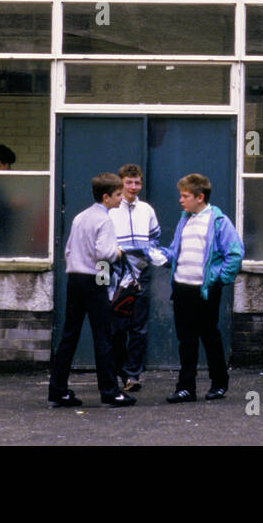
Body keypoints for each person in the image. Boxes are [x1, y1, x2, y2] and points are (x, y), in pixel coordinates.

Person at [47, 173, 134, 408]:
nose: (121, 199)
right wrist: (119, 252)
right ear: (106, 197)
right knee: (103, 337)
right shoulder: (105, 220)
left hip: (75, 279)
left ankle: (58, 390)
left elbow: (67, 251)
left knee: (69, 336)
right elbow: (103, 253)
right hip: (95, 280)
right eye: (118, 195)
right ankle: (110, 392)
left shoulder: (80, 217)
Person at [163, 173, 243, 403]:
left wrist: (220, 279)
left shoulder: (219, 221)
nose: (180, 200)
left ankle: (219, 383)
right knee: (186, 340)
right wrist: (162, 255)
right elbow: (174, 250)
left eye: (185, 196)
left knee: (210, 337)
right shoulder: (184, 219)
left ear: (200, 197)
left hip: (205, 290)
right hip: (181, 288)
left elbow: (235, 253)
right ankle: (186, 387)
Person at [108, 163, 161, 393]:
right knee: (116, 328)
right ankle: (117, 372)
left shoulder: (147, 210)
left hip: (142, 274)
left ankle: (132, 375)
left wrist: (149, 255)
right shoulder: (109, 211)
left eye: (137, 182)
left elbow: (155, 239)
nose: (133, 187)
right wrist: (102, 282)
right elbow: (100, 250)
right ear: (120, 183)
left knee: (139, 328)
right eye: (128, 182)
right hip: (116, 275)